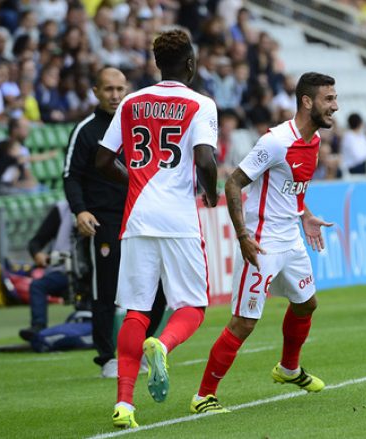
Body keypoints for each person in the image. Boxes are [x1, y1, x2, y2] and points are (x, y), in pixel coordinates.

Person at [190, 72, 337, 415]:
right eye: (328, 99)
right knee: (245, 322)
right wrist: (243, 236)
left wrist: (305, 214)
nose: (335, 105)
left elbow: (291, 190)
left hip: (292, 239)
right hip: (262, 242)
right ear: (307, 101)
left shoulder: (313, 142)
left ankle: (288, 369)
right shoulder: (275, 142)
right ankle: (203, 395)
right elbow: (233, 184)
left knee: (306, 303)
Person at [95, 30, 219, 429]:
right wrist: (212, 194)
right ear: (190, 64)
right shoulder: (200, 103)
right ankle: (162, 346)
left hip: (137, 217)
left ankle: (124, 406)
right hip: (179, 218)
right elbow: (204, 160)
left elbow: (101, 161)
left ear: (156, 64)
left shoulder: (130, 102)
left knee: (136, 310)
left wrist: (132, 179)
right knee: (192, 308)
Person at [63, 67, 167, 379]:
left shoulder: (139, 125)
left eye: (120, 88)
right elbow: (71, 176)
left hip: (142, 219)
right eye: (108, 89)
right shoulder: (86, 130)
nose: (115, 95)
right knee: (105, 290)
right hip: (104, 221)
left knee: (158, 288)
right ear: (95, 91)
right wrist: (80, 210)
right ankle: (108, 357)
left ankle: (141, 347)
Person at [18, 201, 74, 341]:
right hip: (64, 271)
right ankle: (38, 327)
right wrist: (38, 254)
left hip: (97, 273)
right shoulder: (62, 209)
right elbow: (36, 242)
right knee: (38, 285)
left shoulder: (102, 203)